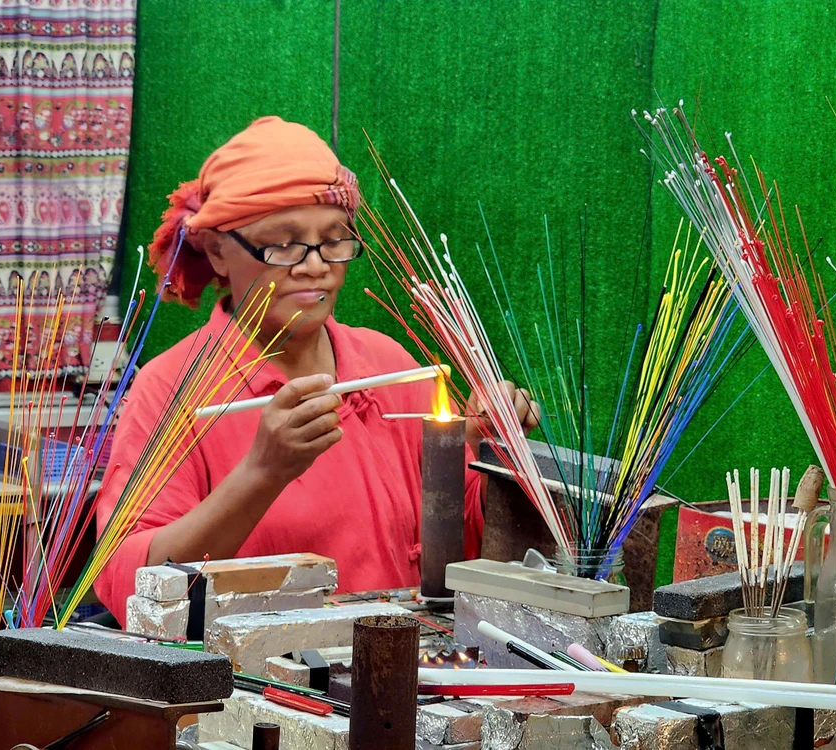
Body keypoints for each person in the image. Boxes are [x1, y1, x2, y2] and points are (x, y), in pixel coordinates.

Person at [93, 116, 539, 624]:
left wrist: (497, 453)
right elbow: (127, 582)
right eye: (282, 244)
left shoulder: (388, 366)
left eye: (333, 239)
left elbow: (463, 540)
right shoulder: (173, 389)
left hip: (406, 666)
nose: (314, 265)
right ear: (218, 251)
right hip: (256, 688)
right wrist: (262, 473)